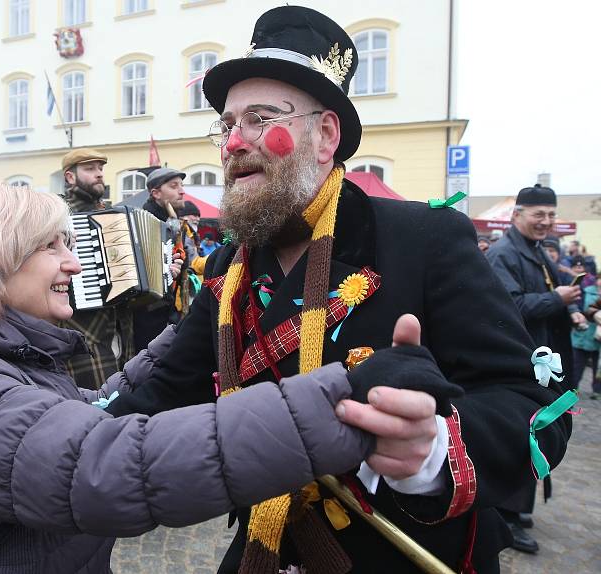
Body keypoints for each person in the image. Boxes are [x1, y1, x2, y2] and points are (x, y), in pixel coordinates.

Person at [105, 7, 571, 572]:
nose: (232, 143)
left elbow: (538, 409)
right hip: (266, 546)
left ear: (326, 135)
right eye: (227, 125)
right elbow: (168, 387)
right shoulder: (230, 262)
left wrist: (431, 451)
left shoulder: (422, 239)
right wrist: (66, 431)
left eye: (258, 118)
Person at [0, 182, 373, 573]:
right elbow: (104, 464)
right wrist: (338, 400)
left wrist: (192, 332)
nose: (73, 263)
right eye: (51, 247)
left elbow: (86, 412)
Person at [486, 183, 582, 553]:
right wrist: (554, 298)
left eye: (551, 215)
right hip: (519, 362)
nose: (546, 221)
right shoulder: (503, 254)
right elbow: (509, 309)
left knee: (535, 434)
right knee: (522, 435)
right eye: (538, 214)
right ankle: (505, 518)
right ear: (517, 216)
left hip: (542, 361)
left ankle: (516, 508)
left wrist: (572, 307)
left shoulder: (535, 251)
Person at [59, 147, 134, 389]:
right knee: (96, 398)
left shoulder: (112, 215)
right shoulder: (59, 215)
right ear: (70, 177)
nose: (99, 174)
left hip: (119, 325)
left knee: (119, 394)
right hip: (81, 325)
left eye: (100, 168)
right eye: (90, 169)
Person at [132, 167, 188, 350]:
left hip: (167, 312)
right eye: (174, 186)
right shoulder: (144, 221)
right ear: (156, 193)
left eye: (181, 185)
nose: (181, 191)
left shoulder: (172, 221)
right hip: (147, 319)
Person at [572, 274, 600, 396]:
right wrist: (595, 314)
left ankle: (597, 391)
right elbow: (586, 309)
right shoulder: (586, 292)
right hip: (583, 335)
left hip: (598, 340)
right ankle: (572, 390)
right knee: (577, 366)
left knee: (598, 366)